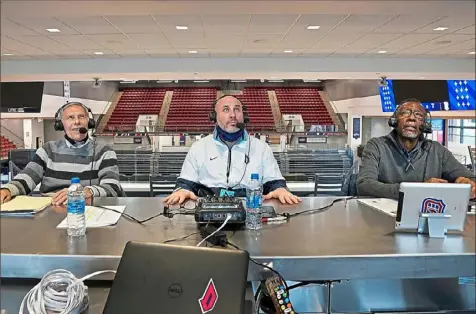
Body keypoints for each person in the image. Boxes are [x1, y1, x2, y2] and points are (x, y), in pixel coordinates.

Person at [163, 95, 301, 205]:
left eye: (237, 109)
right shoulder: (198, 148)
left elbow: (274, 182)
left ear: (243, 116)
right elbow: (186, 183)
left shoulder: (262, 148)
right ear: (214, 117)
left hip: (251, 210)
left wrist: (280, 189)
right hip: (209, 210)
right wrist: (182, 190)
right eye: (225, 109)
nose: (233, 115)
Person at [0, 101, 124, 205]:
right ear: (61, 124)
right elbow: (28, 177)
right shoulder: (48, 150)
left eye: (81, 117)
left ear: (89, 122)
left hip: (85, 209)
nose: (77, 122)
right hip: (51, 209)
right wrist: (7, 189)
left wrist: (85, 192)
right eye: (70, 117)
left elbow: (112, 187)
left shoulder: (104, 151)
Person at [357, 98, 476, 200]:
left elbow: (472, 179)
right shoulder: (376, 146)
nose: (412, 118)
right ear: (394, 121)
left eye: (418, 115)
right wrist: (420, 189)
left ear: (425, 125)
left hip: (426, 218)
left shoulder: (437, 150)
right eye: (405, 113)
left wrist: (468, 183)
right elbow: (364, 185)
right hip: (381, 218)